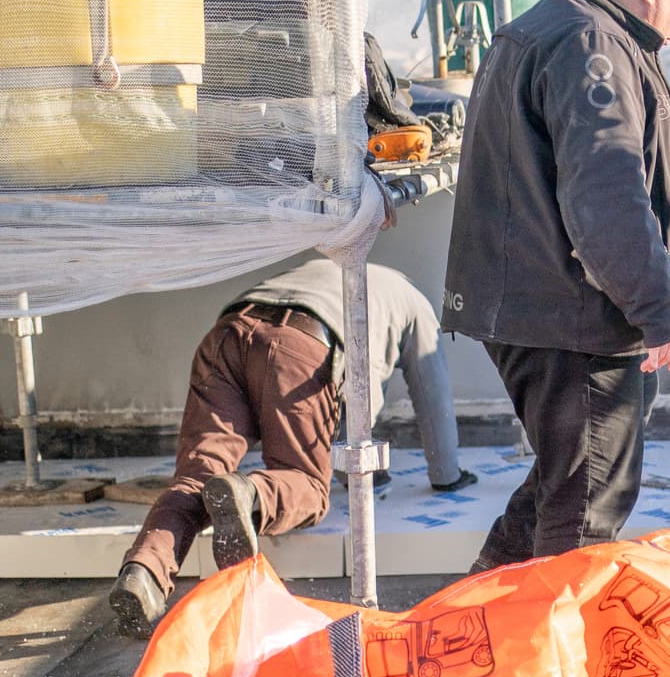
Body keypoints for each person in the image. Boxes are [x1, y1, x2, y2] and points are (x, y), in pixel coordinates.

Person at [442, 0, 670, 572]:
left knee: (560, 484)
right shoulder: (593, 42)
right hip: (574, 321)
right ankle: (542, 668)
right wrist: (657, 306)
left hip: (529, 307)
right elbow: (605, 189)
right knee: (587, 510)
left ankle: (467, 635)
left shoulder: (543, 26)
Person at [109, 259, 468, 636]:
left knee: (196, 479)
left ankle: (144, 572)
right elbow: (431, 394)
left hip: (227, 334)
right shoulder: (414, 303)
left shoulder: (328, 268)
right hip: (302, 346)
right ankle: (250, 494)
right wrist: (447, 476)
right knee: (308, 486)